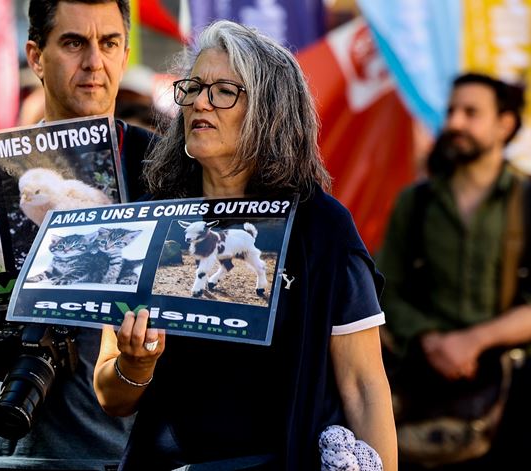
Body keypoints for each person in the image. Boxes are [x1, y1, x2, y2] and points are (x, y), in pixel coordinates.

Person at [92, 20, 397, 470]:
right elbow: (110, 396)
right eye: (194, 87)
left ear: (270, 110)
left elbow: (364, 386)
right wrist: (136, 366)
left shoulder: (320, 226)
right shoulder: (151, 220)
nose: (199, 101)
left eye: (223, 91)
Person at [0, 1, 156, 470]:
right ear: (35, 57)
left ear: (125, 53)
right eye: (73, 43)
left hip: (113, 455)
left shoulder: (161, 169)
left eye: (109, 43)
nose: (93, 62)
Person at [378, 73, 531, 469]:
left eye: (471, 113)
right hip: (419, 390)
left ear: (505, 124)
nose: (455, 123)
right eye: (451, 112)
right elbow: (383, 288)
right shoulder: (416, 201)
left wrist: (475, 341)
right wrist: (429, 339)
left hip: (509, 395)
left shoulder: (527, 201)